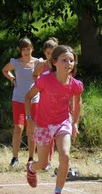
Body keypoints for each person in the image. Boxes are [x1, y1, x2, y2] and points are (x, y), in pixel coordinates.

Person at [24, 45, 83, 194]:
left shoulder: (75, 84)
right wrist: (30, 120)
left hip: (63, 122)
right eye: (64, 60)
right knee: (43, 163)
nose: (68, 63)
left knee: (65, 156)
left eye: (71, 60)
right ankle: (31, 167)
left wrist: (74, 123)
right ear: (55, 62)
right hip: (43, 124)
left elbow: (77, 104)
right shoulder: (44, 80)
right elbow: (27, 98)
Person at [2, 37, 42, 167]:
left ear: (32, 49)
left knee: (31, 128)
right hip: (18, 99)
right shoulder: (15, 62)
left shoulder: (38, 62)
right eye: (23, 49)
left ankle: (31, 157)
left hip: (34, 99)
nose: (26, 52)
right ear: (20, 51)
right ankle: (15, 158)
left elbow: (45, 73)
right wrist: (13, 79)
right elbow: (5, 70)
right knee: (18, 127)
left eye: (28, 49)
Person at [32, 37, 59, 170]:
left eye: (53, 52)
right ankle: (43, 159)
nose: (50, 56)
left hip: (58, 102)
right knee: (44, 130)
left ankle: (49, 160)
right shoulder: (42, 65)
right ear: (44, 53)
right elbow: (35, 75)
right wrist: (40, 85)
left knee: (53, 131)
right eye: (48, 53)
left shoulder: (59, 64)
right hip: (44, 101)